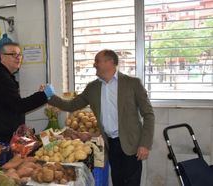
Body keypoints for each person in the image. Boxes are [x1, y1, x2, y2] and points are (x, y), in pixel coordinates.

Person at [47, 49, 155, 186]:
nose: (94, 64)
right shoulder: (92, 88)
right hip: (111, 144)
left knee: (131, 182)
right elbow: (72, 105)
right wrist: (49, 96)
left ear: (110, 62)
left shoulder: (132, 84)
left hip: (132, 143)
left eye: (97, 61)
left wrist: (145, 144)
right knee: (117, 181)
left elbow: (149, 115)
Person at [0, 42, 54, 143]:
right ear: (2, 57)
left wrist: (41, 94)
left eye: (19, 55)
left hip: (1, 131)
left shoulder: (4, 74)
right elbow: (19, 106)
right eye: (13, 54)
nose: (18, 58)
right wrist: (43, 95)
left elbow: (11, 104)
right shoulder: (0, 77)